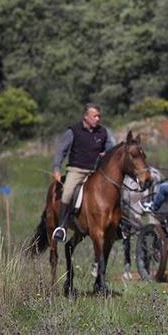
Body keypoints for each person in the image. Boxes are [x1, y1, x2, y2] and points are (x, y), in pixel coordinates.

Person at [51, 103, 116, 242]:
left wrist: (107, 153)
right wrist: (56, 168)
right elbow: (61, 151)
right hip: (77, 170)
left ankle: (118, 224)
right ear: (86, 117)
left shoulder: (103, 132)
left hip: (96, 172)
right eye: (95, 116)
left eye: (99, 116)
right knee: (68, 191)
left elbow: (111, 149)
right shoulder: (73, 131)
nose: (98, 119)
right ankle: (62, 227)